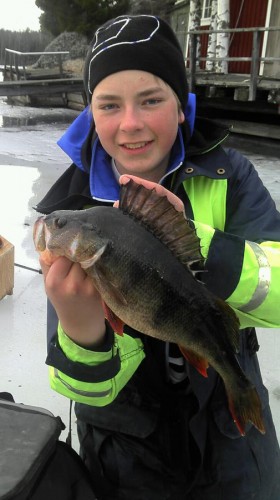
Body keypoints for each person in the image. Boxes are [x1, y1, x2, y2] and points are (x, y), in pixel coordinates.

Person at [35, 14, 280, 500]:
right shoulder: (74, 209)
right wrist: (82, 329)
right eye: (109, 105)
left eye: (151, 100)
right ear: (91, 115)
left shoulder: (232, 177)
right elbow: (80, 392)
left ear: (183, 107)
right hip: (124, 455)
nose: (131, 123)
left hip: (232, 448)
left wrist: (198, 242)